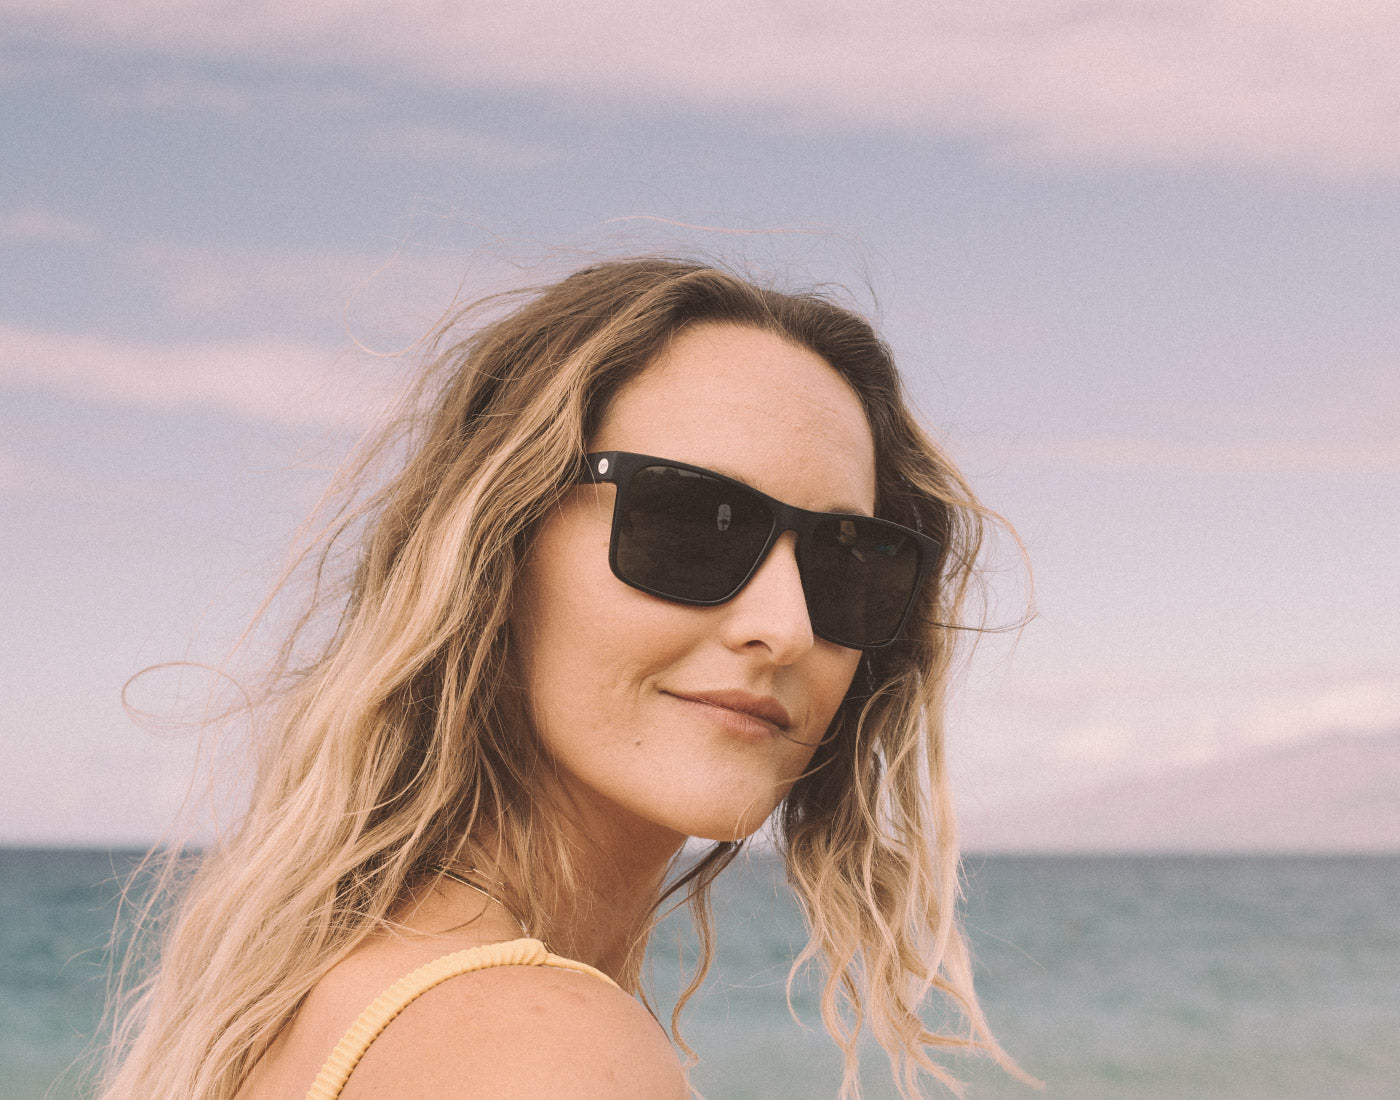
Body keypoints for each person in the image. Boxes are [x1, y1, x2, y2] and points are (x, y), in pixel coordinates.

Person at [101, 257, 1026, 1098]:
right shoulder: (539, 1052)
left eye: (847, 558)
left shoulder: (337, 998)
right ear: (494, 553)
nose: (785, 628)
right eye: (692, 523)